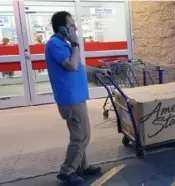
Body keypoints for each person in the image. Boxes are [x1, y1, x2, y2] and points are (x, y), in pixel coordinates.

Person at [45, 11, 103, 185]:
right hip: (70, 98)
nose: (74, 28)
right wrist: (76, 43)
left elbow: (79, 66)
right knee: (81, 135)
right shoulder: (55, 44)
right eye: (71, 25)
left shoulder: (64, 44)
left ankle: (81, 167)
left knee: (81, 133)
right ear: (61, 27)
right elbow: (71, 65)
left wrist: (98, 71)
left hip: (76, 96)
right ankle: (68, 170)